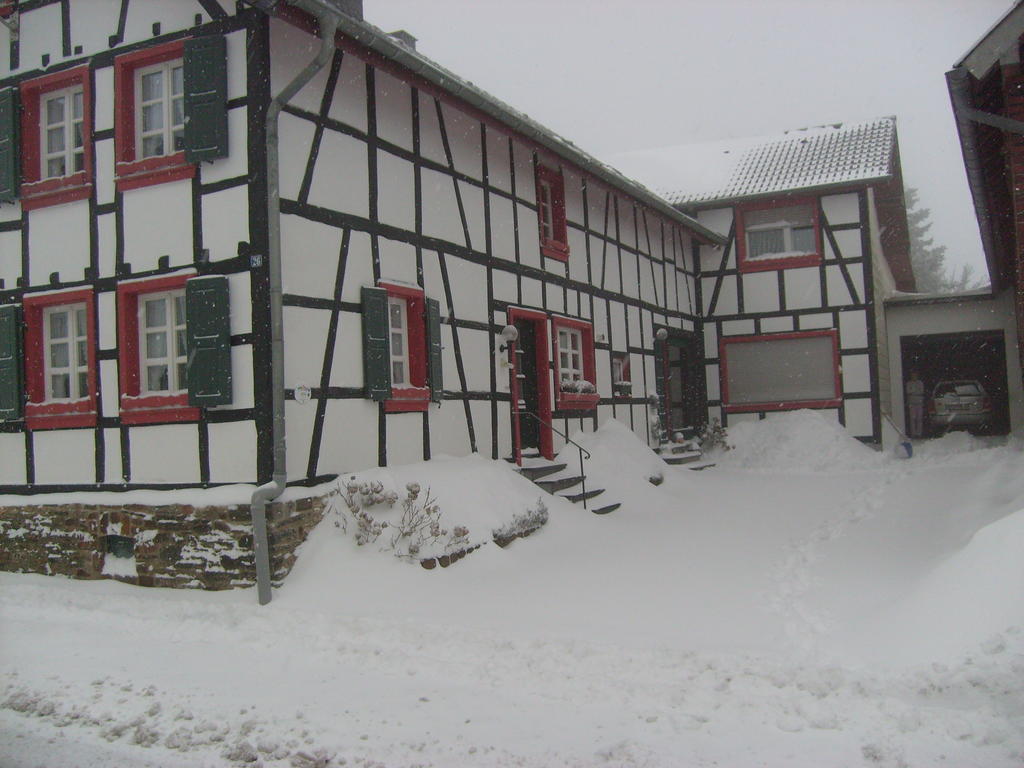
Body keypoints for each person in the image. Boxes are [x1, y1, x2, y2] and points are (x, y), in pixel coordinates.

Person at [905, 370, 925, 438]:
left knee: (919, 418)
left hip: (919, 402)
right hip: (911, 402)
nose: (914, 377)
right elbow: (908, 391)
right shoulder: (909, 383)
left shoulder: (920, 383)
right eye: (913, 375)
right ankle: (913, 433)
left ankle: (919, 433)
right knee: (912, 418)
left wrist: (913, 391)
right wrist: (914, 390)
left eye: (915, 375)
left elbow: (921, 391)